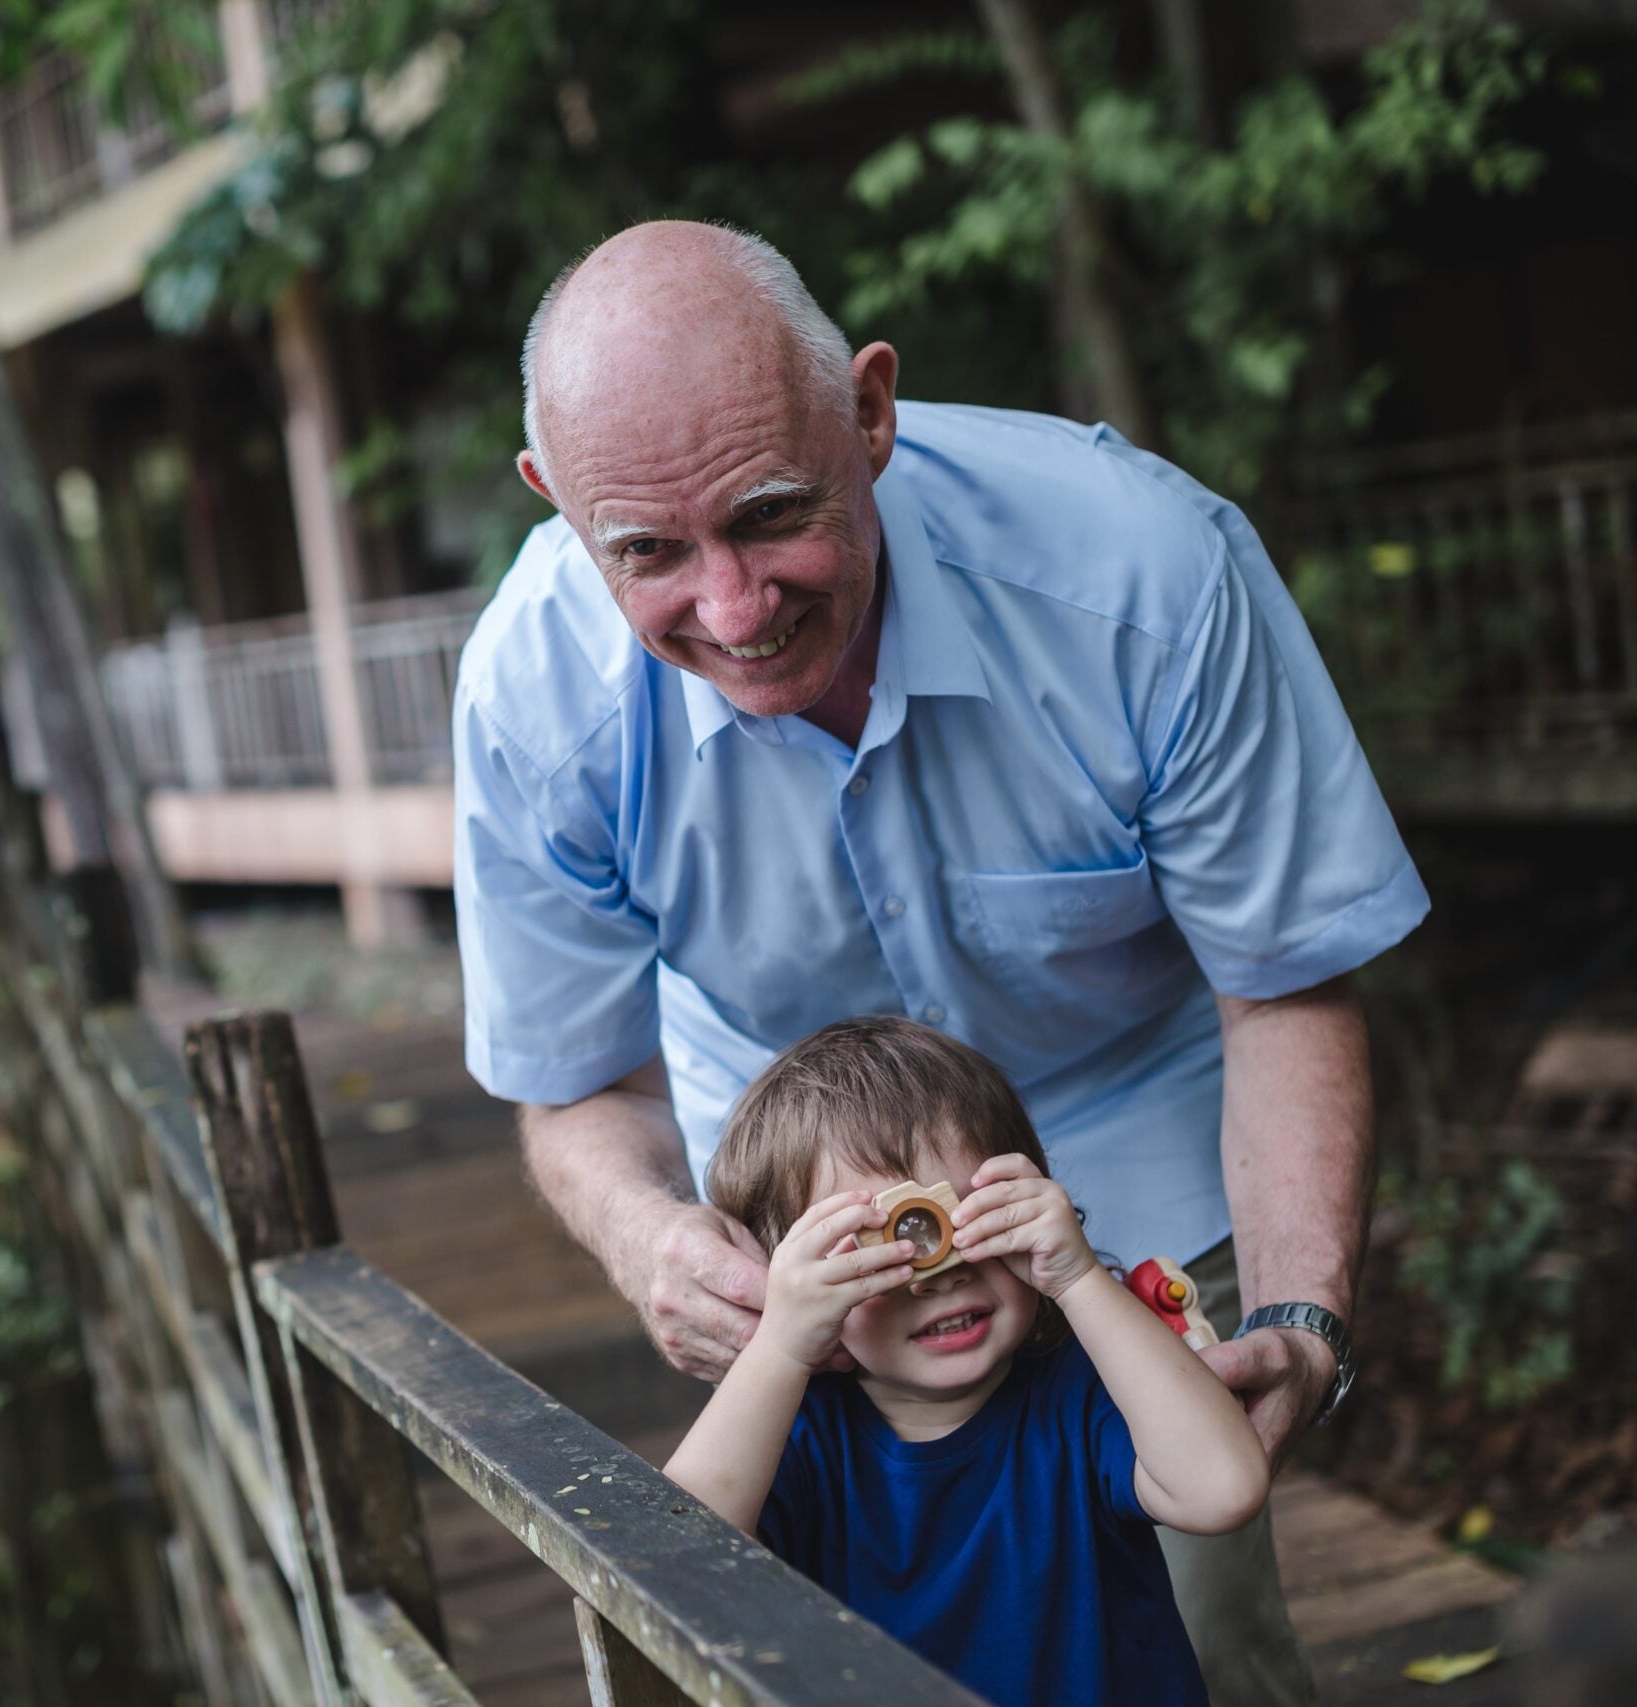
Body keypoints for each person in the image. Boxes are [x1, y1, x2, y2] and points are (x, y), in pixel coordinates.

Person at [452, 219, 1432, 1706]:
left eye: (772, 514)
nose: (734, 610)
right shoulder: (534, 700)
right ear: (555, 499)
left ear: (869, 411)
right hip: (809, 1227)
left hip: (1140, 1155)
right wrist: (653, 1244)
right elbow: (577, 1078)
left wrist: (1298, 1317)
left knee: (1208, 1623)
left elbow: (1283, 979)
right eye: (646, 551)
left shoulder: (1141, 573)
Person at [663, 1016, 1268, 1707]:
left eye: (969, 1218)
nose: (938, 1271)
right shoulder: (797, 1431)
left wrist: (1077, 1279)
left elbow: (1224, 1487)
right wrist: (779, 1343)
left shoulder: (1086, 1381)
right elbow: (674, 1563)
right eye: (873, 1248)